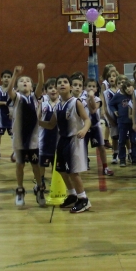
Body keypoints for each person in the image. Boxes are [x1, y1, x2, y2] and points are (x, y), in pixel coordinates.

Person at [7, 66, 50, 207]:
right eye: (21, 81)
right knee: (20, 165)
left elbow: (41, 84)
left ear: (32, 86)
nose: (24, 82)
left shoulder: (34, 97)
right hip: (19, 139)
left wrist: (40, 72)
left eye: (27, 81)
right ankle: (20, 189)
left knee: (35, 165)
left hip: (33, 139)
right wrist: (15, 74)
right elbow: (9, 90)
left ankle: (39, 187)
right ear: (17, 87)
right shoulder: (17, 98)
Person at [49, 74, 92, 213]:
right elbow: (51, 125)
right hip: (62, 140)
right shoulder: (57, 106)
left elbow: (87, 119)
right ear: (56, 87)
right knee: (61, 169)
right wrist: (36, 121)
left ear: (71, 87)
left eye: (65, 82)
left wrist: (84, 130)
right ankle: (73, 194)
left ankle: (84, 199)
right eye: (59, 82)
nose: (62, 84)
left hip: (74, 139)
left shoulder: (76, 102)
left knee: (73, 171)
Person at [110, 79, 136, 168]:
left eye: (129, 86)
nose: (128, 89)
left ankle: (134, 157)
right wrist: (114, 111)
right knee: (121, 140)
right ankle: (122, 159)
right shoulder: (118, 96)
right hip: (122, 121)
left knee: (134, 140)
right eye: (126, 88)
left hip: (133, 122)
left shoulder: (134, 95)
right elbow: (111, 104)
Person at [0, 70, 12, 161]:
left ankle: (16, 152)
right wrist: (4, 103)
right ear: (1, 79)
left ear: (11, 79)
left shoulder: (13, 90)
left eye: (8, 77)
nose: (6, 79)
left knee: (13, 135)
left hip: (11, 114)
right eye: (5, 77)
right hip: (1, 114)